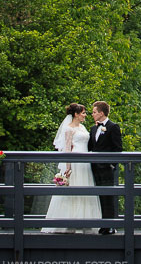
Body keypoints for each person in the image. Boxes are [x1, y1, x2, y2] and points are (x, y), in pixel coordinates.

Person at [43, 103, 101, 233]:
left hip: (85, 163)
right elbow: (67, 148)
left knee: (85, 188)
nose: (85, 115)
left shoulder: (83, 127)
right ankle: (69, 222)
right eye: (83, 113)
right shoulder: (69, 129)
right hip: (75, 162)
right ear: (76, 114)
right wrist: (68, 167)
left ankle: (85, 221)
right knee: (73, 189)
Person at [88, 100, 123, 234]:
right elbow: (91, 148)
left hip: (106, 168)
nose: (92, 114)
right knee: (100, 196)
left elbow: (118, 148)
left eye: (94, 112)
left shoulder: (113, 127)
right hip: (95, 168)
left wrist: (111, 165)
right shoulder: (93, 128)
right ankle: (103, 224)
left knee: (109, 196)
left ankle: (110, 225)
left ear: (101, 113)